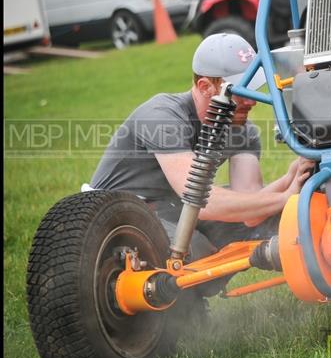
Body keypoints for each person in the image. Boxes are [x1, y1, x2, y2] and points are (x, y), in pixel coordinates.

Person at [88, 33, 315, 261]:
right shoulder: (162, 116)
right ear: (205, 86)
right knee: (196, 251)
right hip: (110, 217)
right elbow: (200, 200)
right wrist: (284, 197)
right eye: (240, 89)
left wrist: (290, 178)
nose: (251, 100)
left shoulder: (242, 129)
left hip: (171, 209)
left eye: (253, 87)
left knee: (272, 221)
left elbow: (251, 212)